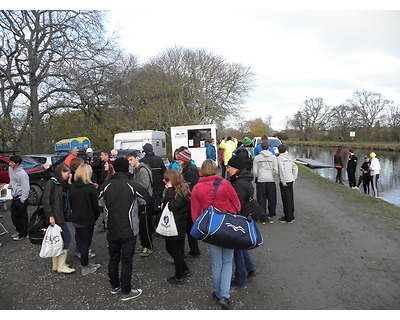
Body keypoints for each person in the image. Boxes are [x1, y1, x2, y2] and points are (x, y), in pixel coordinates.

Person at [98, 157, 152, 302]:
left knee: (114, 258)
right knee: (127, 260)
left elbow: (98, 202)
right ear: (127, 169)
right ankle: (126, 291)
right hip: (129, 229)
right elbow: (146, 200)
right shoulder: (133, 185)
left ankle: (114, 286)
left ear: (114, 169)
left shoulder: (105, 186)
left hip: (112, 228)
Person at [191, 159, 241, 310]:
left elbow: (195, 214)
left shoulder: (197, 188)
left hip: (210, 229)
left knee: (216, 263)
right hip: (227, 226)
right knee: (227, 261)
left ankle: (218, 293)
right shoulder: (225, 184)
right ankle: (225, 296)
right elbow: (237, 205)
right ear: (215, 169)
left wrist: (201, 230)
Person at [226, 155, 258, 289]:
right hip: (246, 216)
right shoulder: (244, 180)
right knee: (241, 247)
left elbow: (236, 205)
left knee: (236, 249)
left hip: (240, 218)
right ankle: (250, 268)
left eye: (229, 167)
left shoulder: (238, 184)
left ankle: (240, 279)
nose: (227, 170)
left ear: (236, 169)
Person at [42, 164, 75, 274]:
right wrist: (50, 215)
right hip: (56, 216)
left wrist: (69, 183)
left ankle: (56, 264)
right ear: (61, 172)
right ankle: (61, 264)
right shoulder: (52, 183)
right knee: (66, 238)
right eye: (67, 173)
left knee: (58, 239)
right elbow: (46, 200)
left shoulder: (59, 183)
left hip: (59, 215)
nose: (69, 175)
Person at [69, 164, 102, 276]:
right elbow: (96, 206)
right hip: (87, 220)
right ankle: (85, 266)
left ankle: (87, 263)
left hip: (76, 219)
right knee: (85, 244)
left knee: (81, 241)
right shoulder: (90, 188)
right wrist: (95, 216)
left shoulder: (72, 187)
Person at [161, 169, 191, 284]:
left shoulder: (181, 192)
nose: (164, 180)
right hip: (175, 224)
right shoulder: (178, 190)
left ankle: (179, 276)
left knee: (176, 251)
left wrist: (168, 191)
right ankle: (185, 269)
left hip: (177, 226)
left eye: (166, 179)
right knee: (172, 249)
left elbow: (172, 206)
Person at [127, 151, 154, 258]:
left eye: (131, 159)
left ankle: (148, 246)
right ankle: (144, 244)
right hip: (140, 201)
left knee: (145, 225)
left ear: (136, 158)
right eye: (128, 160)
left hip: (145, 201)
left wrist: (133, 186)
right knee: (141, 224)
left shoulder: (142, 170)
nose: (129, 162)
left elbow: (144, 185)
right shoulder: (136, 169)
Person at [177, 149, 201, 258]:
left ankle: (193, 251)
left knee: (188, 227)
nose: (177, 161)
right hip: (191, 202)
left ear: (184, 160)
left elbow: (190, 188)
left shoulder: (189, 171)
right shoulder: (189, 169)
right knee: (190, 227)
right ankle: (194, 250)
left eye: (179, 159)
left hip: (189, 203)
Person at [140, 143, 166, 225]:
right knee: (159, 206)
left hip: (148, 187)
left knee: (149, 207)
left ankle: (152, 227)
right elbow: (164, 172)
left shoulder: (142, 161)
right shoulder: (159, 159)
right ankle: (160, 225)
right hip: (159, 186)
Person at [252, 141, 278, 224]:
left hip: (261, 180)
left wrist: (259, 176)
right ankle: (271, 215)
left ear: (261, 147)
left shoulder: (257, 158)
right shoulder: (273, 157)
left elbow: (254, 171)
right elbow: (276, 170)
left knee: (261, 199)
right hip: (270, 179)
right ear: (269, 147)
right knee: (272, 199)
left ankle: (263, 217)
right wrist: (271, 175)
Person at [8, 155, 30, 241]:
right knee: (14, 217)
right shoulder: (10, 169)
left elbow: (26, 188)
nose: (10, 164)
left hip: (21, 197)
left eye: (12, 163)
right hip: (14, 196)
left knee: (22, 217)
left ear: (17, 164)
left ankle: (23, 234)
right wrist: (10, 186)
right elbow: (12, 180)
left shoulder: (22, 174)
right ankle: (19, 230)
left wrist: (22, 200)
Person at [277, 144, 298, 224]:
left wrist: (283, 181)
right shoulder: (288, 158)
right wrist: (294, 177)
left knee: (285, 199)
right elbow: (295, 167)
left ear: (278, 150)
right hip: (290, 180)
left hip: (285, 181)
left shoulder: (280, 158)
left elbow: (282, 170)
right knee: (290, 198)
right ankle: (291, 215)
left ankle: (287, 217)